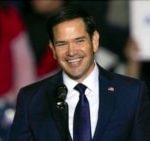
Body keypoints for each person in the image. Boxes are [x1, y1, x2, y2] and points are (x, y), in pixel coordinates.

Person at [8, 5, 150, 141]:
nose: (71, 52)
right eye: (62, 44)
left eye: (79, 41)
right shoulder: (32, 99)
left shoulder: (132, 94)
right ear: (52, 49)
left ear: (94, 41)